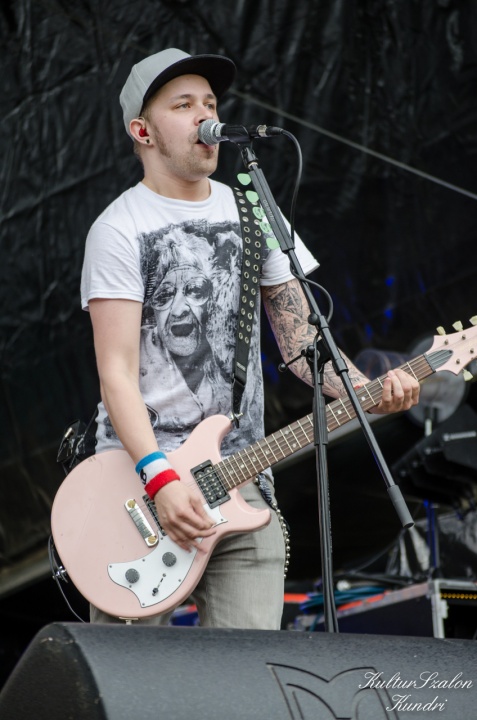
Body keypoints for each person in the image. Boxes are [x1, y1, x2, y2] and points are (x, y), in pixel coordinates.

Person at [80, 47, 420, 629]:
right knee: (128, 675)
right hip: (136, 488)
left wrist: (368, 390)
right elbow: (116, 373)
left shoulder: (254, 210)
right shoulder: (118, 228)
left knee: (253, 667)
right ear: (142, 131)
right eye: (183, 105)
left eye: (210, 103)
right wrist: (160, 476)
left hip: (241, 478)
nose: (205, 116)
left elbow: (302, 343)